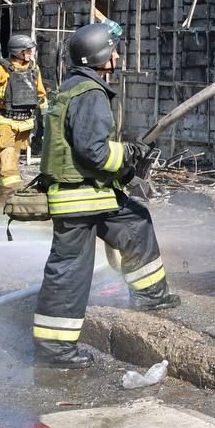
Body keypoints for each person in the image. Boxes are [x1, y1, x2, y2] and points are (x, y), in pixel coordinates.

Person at [32, 20, 179, 369]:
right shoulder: (90, 93)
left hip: (94, 194)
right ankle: (55, 349)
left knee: (136, 223)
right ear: (101, 54)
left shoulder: (75, 86)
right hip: (80, 197)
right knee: (69, 270)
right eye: (113, 49)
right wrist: (128, 153)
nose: (117, 54)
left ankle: (150, 296)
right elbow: (93, 153)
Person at [0, 34, 47, 199]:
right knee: (8, 160)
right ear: (17, 51)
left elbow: (41, 94)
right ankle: (13, 195)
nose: (31, 53)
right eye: (27, 50)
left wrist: (45, 115)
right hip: (5, 121)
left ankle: (0, 196)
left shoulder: (33, 68)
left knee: (11, 160)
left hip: (25, 123)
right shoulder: (0, 68)